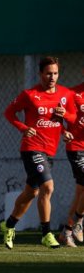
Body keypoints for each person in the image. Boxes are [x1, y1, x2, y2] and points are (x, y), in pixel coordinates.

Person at [1, 56, 76, 249]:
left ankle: (8, 225)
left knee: (31, 192)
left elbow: (73, 117)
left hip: (50, 149)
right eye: (48, 73)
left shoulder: (65, 94)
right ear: (41, 74)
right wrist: (23, 128)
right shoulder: (29, 94)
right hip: (31, 147)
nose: (52, 77)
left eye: (55, 73)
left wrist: (65, 127)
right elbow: (9, 112)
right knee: (48, 187)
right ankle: (46, 233)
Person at [58, 72, 84, 247]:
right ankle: (77, 224)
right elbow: (58, 115)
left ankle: (67, 231)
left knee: (80, 192)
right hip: (77, 147)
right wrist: (63, 132)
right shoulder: (72, 94)